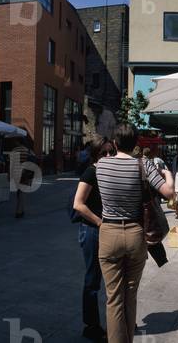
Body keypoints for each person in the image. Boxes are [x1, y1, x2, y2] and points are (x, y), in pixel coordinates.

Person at [73, 124, 174, 343]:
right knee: (130, 296)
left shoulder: (99, 166)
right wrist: (168, 174)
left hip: (108, 232)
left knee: (114, 298)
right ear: (136, 143)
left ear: (115, 143)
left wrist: (99, 222)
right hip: (136, 234)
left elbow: (78, 202)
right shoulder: (143, 164)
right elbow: (169, 193)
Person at [70, 138, 108, 342]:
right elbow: (78, 204)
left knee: (107, 279)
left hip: (101, 230)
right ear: (96, 154)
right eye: (105, 153)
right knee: (92, 280)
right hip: (92, 231)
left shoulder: (104, 172)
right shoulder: (91, 172)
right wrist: (100, 223)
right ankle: (91, 326)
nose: (109, 156)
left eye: (111, 152)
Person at [11, 138, 37, 219]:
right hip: (26, 173)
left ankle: (19, 210)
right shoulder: (28, 151)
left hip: (17, 174)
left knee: (19, 192)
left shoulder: (15, 150)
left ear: (18, 141)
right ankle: (20, 210)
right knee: (22, 192)